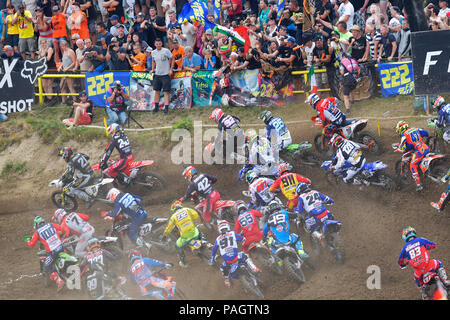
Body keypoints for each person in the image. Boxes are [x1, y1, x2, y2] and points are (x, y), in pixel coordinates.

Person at [397, 226, 450, 300]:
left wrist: (403, 265)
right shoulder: (420, 240)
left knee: (416, 278)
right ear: (413, 232)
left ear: (405, 236)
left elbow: (400, 261)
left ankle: (424, 294)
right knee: (438, 263)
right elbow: (432, 245)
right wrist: (428, 247)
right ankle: (445, 280)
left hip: (419, 272)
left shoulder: (404, 248)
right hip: (429, 265)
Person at [209, 220, 260, 288]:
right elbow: (243, 239)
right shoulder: (233, 233)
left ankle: (227, 281)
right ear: (228, 227)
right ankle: (254, 268)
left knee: (222, 268)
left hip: (228, 263)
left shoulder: (218, 239)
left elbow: (214, 250)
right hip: (237, 258)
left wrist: (212, 259)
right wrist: (241, 241)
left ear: (219, 229)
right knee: (245, 256)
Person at [26, 216, 70, 292]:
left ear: (36, 225)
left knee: (47, 267)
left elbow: (31, 244)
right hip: (61, 247)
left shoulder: (37, 232)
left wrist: (28, 240)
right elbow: (62, 229)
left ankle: (59, 281)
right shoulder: (51, 224)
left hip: (53, 252)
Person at [295, 183, 335, 253]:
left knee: (309, 227)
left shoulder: (301, 197)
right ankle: (334, 233)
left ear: (299, 191)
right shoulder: (315, 192)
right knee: (331, 215)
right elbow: (329, 199)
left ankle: (319, 235)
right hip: (326, 214)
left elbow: (300, 211)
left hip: (316, 218)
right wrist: (330, 202)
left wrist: (299, 217)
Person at [162, 200, 201, 267]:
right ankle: (206, 243)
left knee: (177, 246)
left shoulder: (173, 216)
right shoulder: (187, 209)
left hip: (185, 237)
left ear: (173, 209)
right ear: (180, 206)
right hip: (194, 232)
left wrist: (165, 236)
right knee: (198, 231)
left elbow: (168, 228)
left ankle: (184, 263)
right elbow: (195, 215)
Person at [396, 121, 430, 192]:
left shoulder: (404, 135)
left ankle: (419, 185)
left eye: (398, 129)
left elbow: (402, 147)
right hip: (426, 148)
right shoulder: (415, 129)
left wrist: (399, 149)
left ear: (401, 128)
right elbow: (426, 133)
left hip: (419, 152)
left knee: (412, 165)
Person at [150, 37, 173, 114]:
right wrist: (153, 69)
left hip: (165, 74)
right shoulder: (153, 52)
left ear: (162, 44)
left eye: (159, 44)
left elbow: (172, 58)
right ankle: (156, 107)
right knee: (157, 91)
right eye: (157, 44)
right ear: (155, 44)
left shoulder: (166, 51)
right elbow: (153, 61)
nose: (158, 45)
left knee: (166, 92)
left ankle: (166, 108)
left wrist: (171, 69)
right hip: (157, 74)